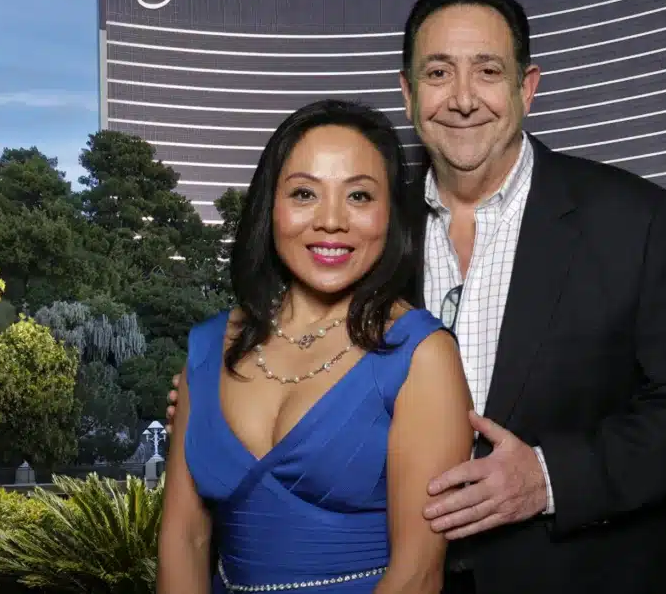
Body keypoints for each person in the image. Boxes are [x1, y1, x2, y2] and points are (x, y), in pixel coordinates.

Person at [168, 0, 666, 594]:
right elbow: (295, 350)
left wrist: (550, 479)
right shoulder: (367, 222)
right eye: (439, 72)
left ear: (527, 87)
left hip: (573, 572)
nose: (463, 99)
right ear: (408, 93)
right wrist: (214, 402)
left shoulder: (636, 218)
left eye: (488, 71)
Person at [156, 99, 474, 594]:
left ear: (391, 214)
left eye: (359, 197)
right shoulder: (207, 347)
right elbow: (185, 538)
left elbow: (417, 574)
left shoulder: (423, 355)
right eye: (304, 193)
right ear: (271, 207)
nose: (330, 221)